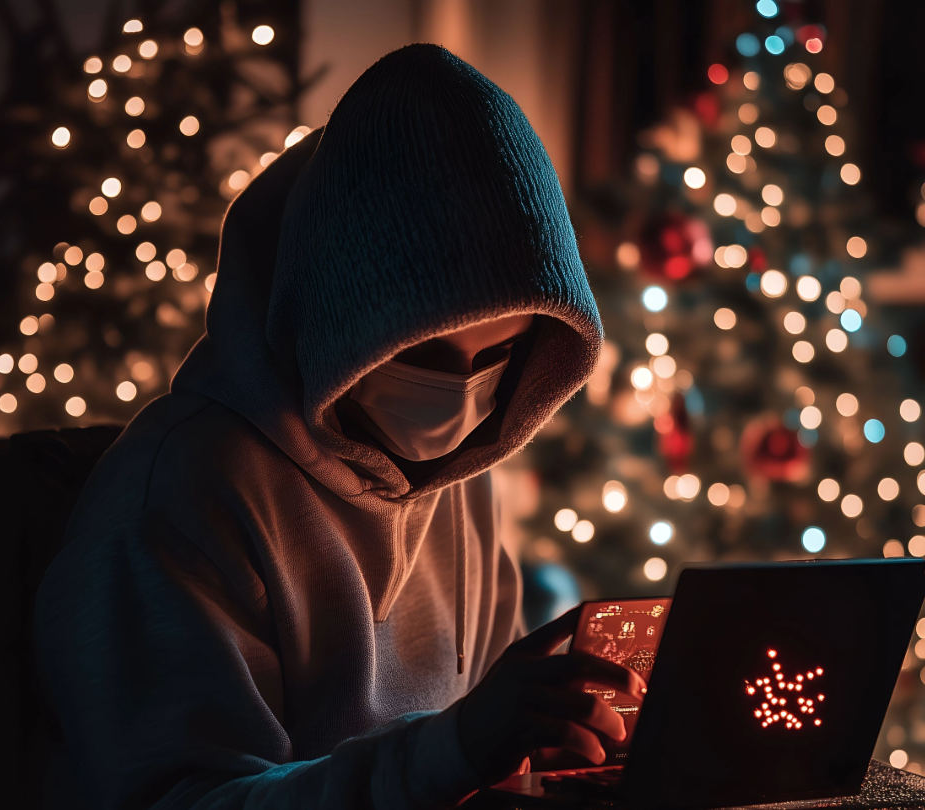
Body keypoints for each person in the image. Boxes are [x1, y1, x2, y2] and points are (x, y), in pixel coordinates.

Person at [34, 44, 644, 809]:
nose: (460, 402)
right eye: (423, 352)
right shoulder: (182, 492)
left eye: (502, 354)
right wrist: (451, 751)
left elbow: (475, 756)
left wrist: (536, 754)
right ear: (339, 322)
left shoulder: (459, 482)